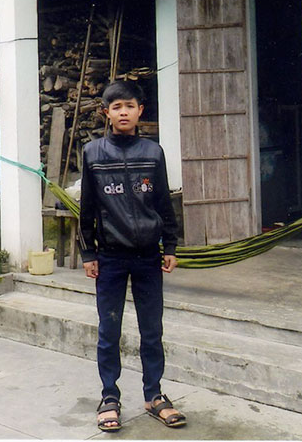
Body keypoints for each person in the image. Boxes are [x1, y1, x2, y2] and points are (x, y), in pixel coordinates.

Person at [78, 81, 186, 431]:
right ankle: (110, 397)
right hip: (110, 258)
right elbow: (87, 208)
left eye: (129, 106)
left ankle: (154, 395)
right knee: (109, 330)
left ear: (140, 110)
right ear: (106, 113)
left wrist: (170, 246)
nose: (123, 112)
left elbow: (163, 203)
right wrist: (88, 253)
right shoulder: (93, 153)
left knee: (152, 329)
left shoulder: (153, 152)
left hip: (148, 257)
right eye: (116, 107)